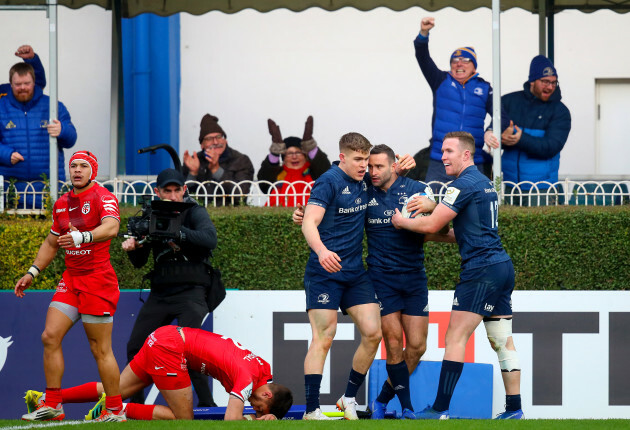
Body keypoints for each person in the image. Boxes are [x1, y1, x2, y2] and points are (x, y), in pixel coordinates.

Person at [294, 145, 451, 420]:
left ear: (393, 165)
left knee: (413, 345)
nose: (371, 170)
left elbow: (441, 228)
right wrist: (303, 215)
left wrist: (433, 205)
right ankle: (404, 408)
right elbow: (321, 210)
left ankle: (369, 399)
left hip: (408, 277)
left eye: (377, 165)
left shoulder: (412, 188)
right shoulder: (359, 187)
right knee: (382, 341)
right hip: (378, 277)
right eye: (368, 165)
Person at [391, 131, 524, 420]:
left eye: (449, 151)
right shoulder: (484, 183)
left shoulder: (460, 185)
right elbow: (458, 234)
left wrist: (403, 222)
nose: (443, 156)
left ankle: (439, 409)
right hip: (502, 267)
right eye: (442, 150)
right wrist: (431, 225)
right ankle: (514, 410)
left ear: (466, 154)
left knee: (455, 337)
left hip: (481, 271)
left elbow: (432, 225)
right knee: (502, 340)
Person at [15, 151, 125, 422]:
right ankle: (53, 405)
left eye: (83, 166)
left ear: (93, 172)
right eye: (73, 166)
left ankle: (114, 410)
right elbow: (52, 242)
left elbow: (111, 227)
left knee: (100, 350)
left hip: (98, 280)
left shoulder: (103, 196)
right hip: (71, 279)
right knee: (49, 337)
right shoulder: (62, 203)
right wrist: (32, 271)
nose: (77, 170)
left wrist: (83, 236)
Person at [25, 326, 294, 421]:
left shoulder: (263, 370)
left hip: (164, 336)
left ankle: (49, 400)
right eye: (259, 407)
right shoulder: (248, 380)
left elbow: (270, 388)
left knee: (114, 389)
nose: (253, 407)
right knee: (183, 419)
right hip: (171, 349)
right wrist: (256, 422)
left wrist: (266, 412)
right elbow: (231, 420)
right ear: (267, 394)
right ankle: (118, 412)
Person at [121, 168, 219, 408]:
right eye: (168, 191)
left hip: (192, 292)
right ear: (158, 192)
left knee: (189, 349)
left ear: (184, 190)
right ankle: (136, 407)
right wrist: (135, 247)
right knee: (136, 346)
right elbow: (139, 263)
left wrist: (178, 232)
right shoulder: (149, 216)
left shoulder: (195, 211)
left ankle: (208, 405)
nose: (173, 195)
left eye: (177, 190)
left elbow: (210, 239)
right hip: (161, 293)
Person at [414, 16, 508, 187]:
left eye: (465, 60)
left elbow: (502, 115)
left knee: (473, 208)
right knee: (431, 205)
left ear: (474, 66)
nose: (459, 63)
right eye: (454, 60)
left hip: (472, 160)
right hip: (440, 159)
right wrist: (423, 34)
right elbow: (422, 57)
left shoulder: (485, 88)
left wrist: (491, 130)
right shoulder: (440, 80)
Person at [486, 55, 571, 205]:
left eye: (553, 82)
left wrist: (520, 139)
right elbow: (496, 130)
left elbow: (550, 147)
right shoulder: (508, 101)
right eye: (545, 82)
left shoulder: (560, 111)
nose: (550, 87)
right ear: (532, 81)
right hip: (511, 186)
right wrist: (490, 133)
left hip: (543, 189)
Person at [0, 59, 76, 209]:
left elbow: (71, 139)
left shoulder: (53, 106)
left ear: (34, 82)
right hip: (10, 192)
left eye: (26, 83)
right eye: (18, 84)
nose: (22, 88)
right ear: (10, 84)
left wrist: (62, 131)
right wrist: (6, 154)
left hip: (49, 191)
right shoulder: (1, 107)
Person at [257, 116, 331, 207]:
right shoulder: (278, 174)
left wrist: (310, 146)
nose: (294, 157)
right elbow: (264, 183)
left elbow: (326, 171)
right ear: (283, 158)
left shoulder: (314, 172)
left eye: (298, 152)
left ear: (305, 156)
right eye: (289, 153)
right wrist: (275, 152)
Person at [182, 114, 254, 205]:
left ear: (225, 140)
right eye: (209, 139)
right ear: (202, 145)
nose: (216, 142)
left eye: (219, 137)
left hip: (230, 215)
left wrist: (216, 170)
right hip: (197, 214)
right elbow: (181, 196)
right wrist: (193, 173)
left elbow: (240, 196)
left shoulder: (241, 160)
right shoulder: (193, 161)